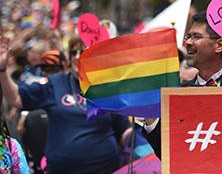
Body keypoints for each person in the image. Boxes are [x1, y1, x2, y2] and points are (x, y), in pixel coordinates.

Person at [0, 36, 132, 174]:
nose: (77, 57)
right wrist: (2, 70)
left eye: (83, 51)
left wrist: (144, 121)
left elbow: (124, 134)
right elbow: (15, 98)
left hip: (105, 169)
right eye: (74, 52)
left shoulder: (109, 89)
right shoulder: (55, 83)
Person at [143, 12, 222, 158]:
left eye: (196, 37)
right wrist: (150, 116)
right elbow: (169, 154)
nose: (188, 43)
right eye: (188, 36)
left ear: (219, 45)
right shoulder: (179, 94)